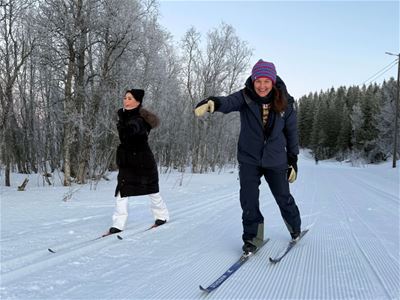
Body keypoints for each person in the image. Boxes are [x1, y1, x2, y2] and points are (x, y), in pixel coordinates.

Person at [194, 59, 301, 254]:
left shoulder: (286, 103)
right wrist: (213, 102)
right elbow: (227, 102)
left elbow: (292, 134)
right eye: (258, 81)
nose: (261, 86)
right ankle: (252, 239)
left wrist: (292, 160)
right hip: (249, 159)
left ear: (273, 80)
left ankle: (295, 228)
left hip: (276, 160)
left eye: (266, 81)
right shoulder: (245, 96)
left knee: (283, 197)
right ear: (252, 80)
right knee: (249, 200)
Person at [107, 89, 169, 235]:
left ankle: (162, 216)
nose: (126, 101)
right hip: (128, 162)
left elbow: (134, 132)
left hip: (143, 161)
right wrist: (122, 120)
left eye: (129, 98)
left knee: (152, 190)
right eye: (125, 98)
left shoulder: (140, 120)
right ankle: (118, 224)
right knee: (122, 191)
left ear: (138, 101)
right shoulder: (124, 116)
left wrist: (126, 125)